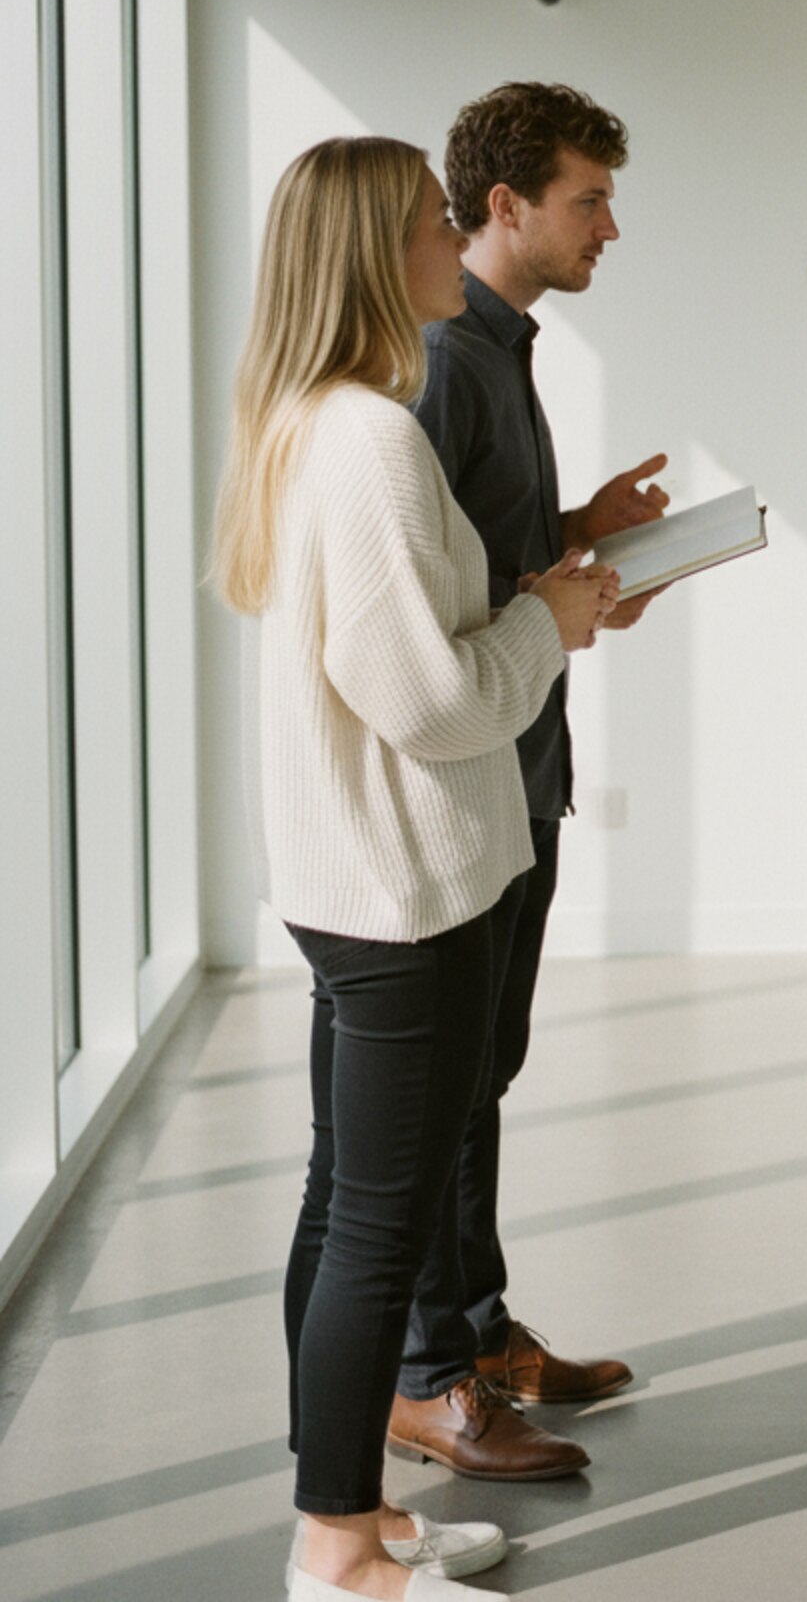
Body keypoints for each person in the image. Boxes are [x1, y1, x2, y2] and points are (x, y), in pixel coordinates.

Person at [213, 137, 616, 1600]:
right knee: (378, 1220)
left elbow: (398, 652)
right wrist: (545, 629)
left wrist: (525, 600)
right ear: (383, 253)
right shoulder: (375, 438)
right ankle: (337, 1551)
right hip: (403, 890)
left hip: (358, 883)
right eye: (432, 222)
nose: (458, 237)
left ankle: (357, 1515)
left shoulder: (316, 420)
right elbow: (434, 702)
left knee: (345, 1207)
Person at [384, 83, 672, 1483]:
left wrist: (580, 534)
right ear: (507, 206)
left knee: (484, 1069)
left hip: (526, 759)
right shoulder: (448, 362)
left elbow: (482, 558)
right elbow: (413, 607)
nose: (609, 225)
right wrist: (551, 598)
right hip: (474, 769)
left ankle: (482, 1331)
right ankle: (435, 1374)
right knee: (449, 1083)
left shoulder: (503, 350)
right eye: (588, 200)